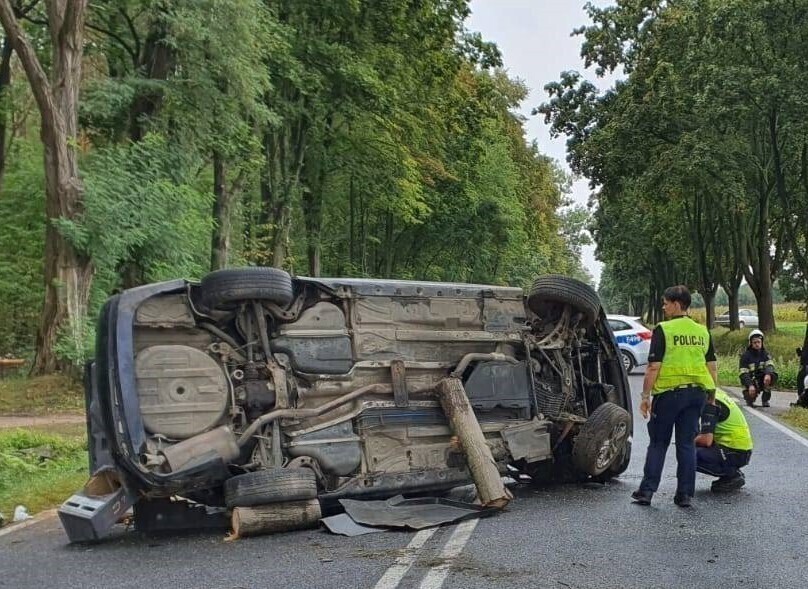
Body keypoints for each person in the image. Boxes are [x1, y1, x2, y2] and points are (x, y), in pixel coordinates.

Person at [631, 285, 717, 508]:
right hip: (696, 394)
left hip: (669, 395)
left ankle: (647, 491)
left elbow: (653, 366)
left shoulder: (664, 329)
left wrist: (645, 396)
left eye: (666, 302)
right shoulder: (702, 331)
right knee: (686, 444)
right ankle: (685, 495)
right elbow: (712, 366)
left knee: (658, 443)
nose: (663, 306)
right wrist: (712, 394)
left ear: (677, 304)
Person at [695, 389, 753, 492]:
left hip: (733, 451)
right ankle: (731, 471)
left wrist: (686, 442)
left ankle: (732, 475)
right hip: (740, 449)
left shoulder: (710, 402)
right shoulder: (716, 392)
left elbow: (706, 440)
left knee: (688, 454)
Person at [739, 329, 777, 408]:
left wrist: (768, 374)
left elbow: (770, 365)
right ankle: (750, 399)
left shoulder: (765, 354)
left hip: (762, 378)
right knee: (750, 399)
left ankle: (765, 400)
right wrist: (750, 385)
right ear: (751, 343)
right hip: (751, 380)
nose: (757, 344)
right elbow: (743, 374)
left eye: (759, 342)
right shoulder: (745, 356)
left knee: (771, 376)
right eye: (755, 342)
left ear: (762, 342)